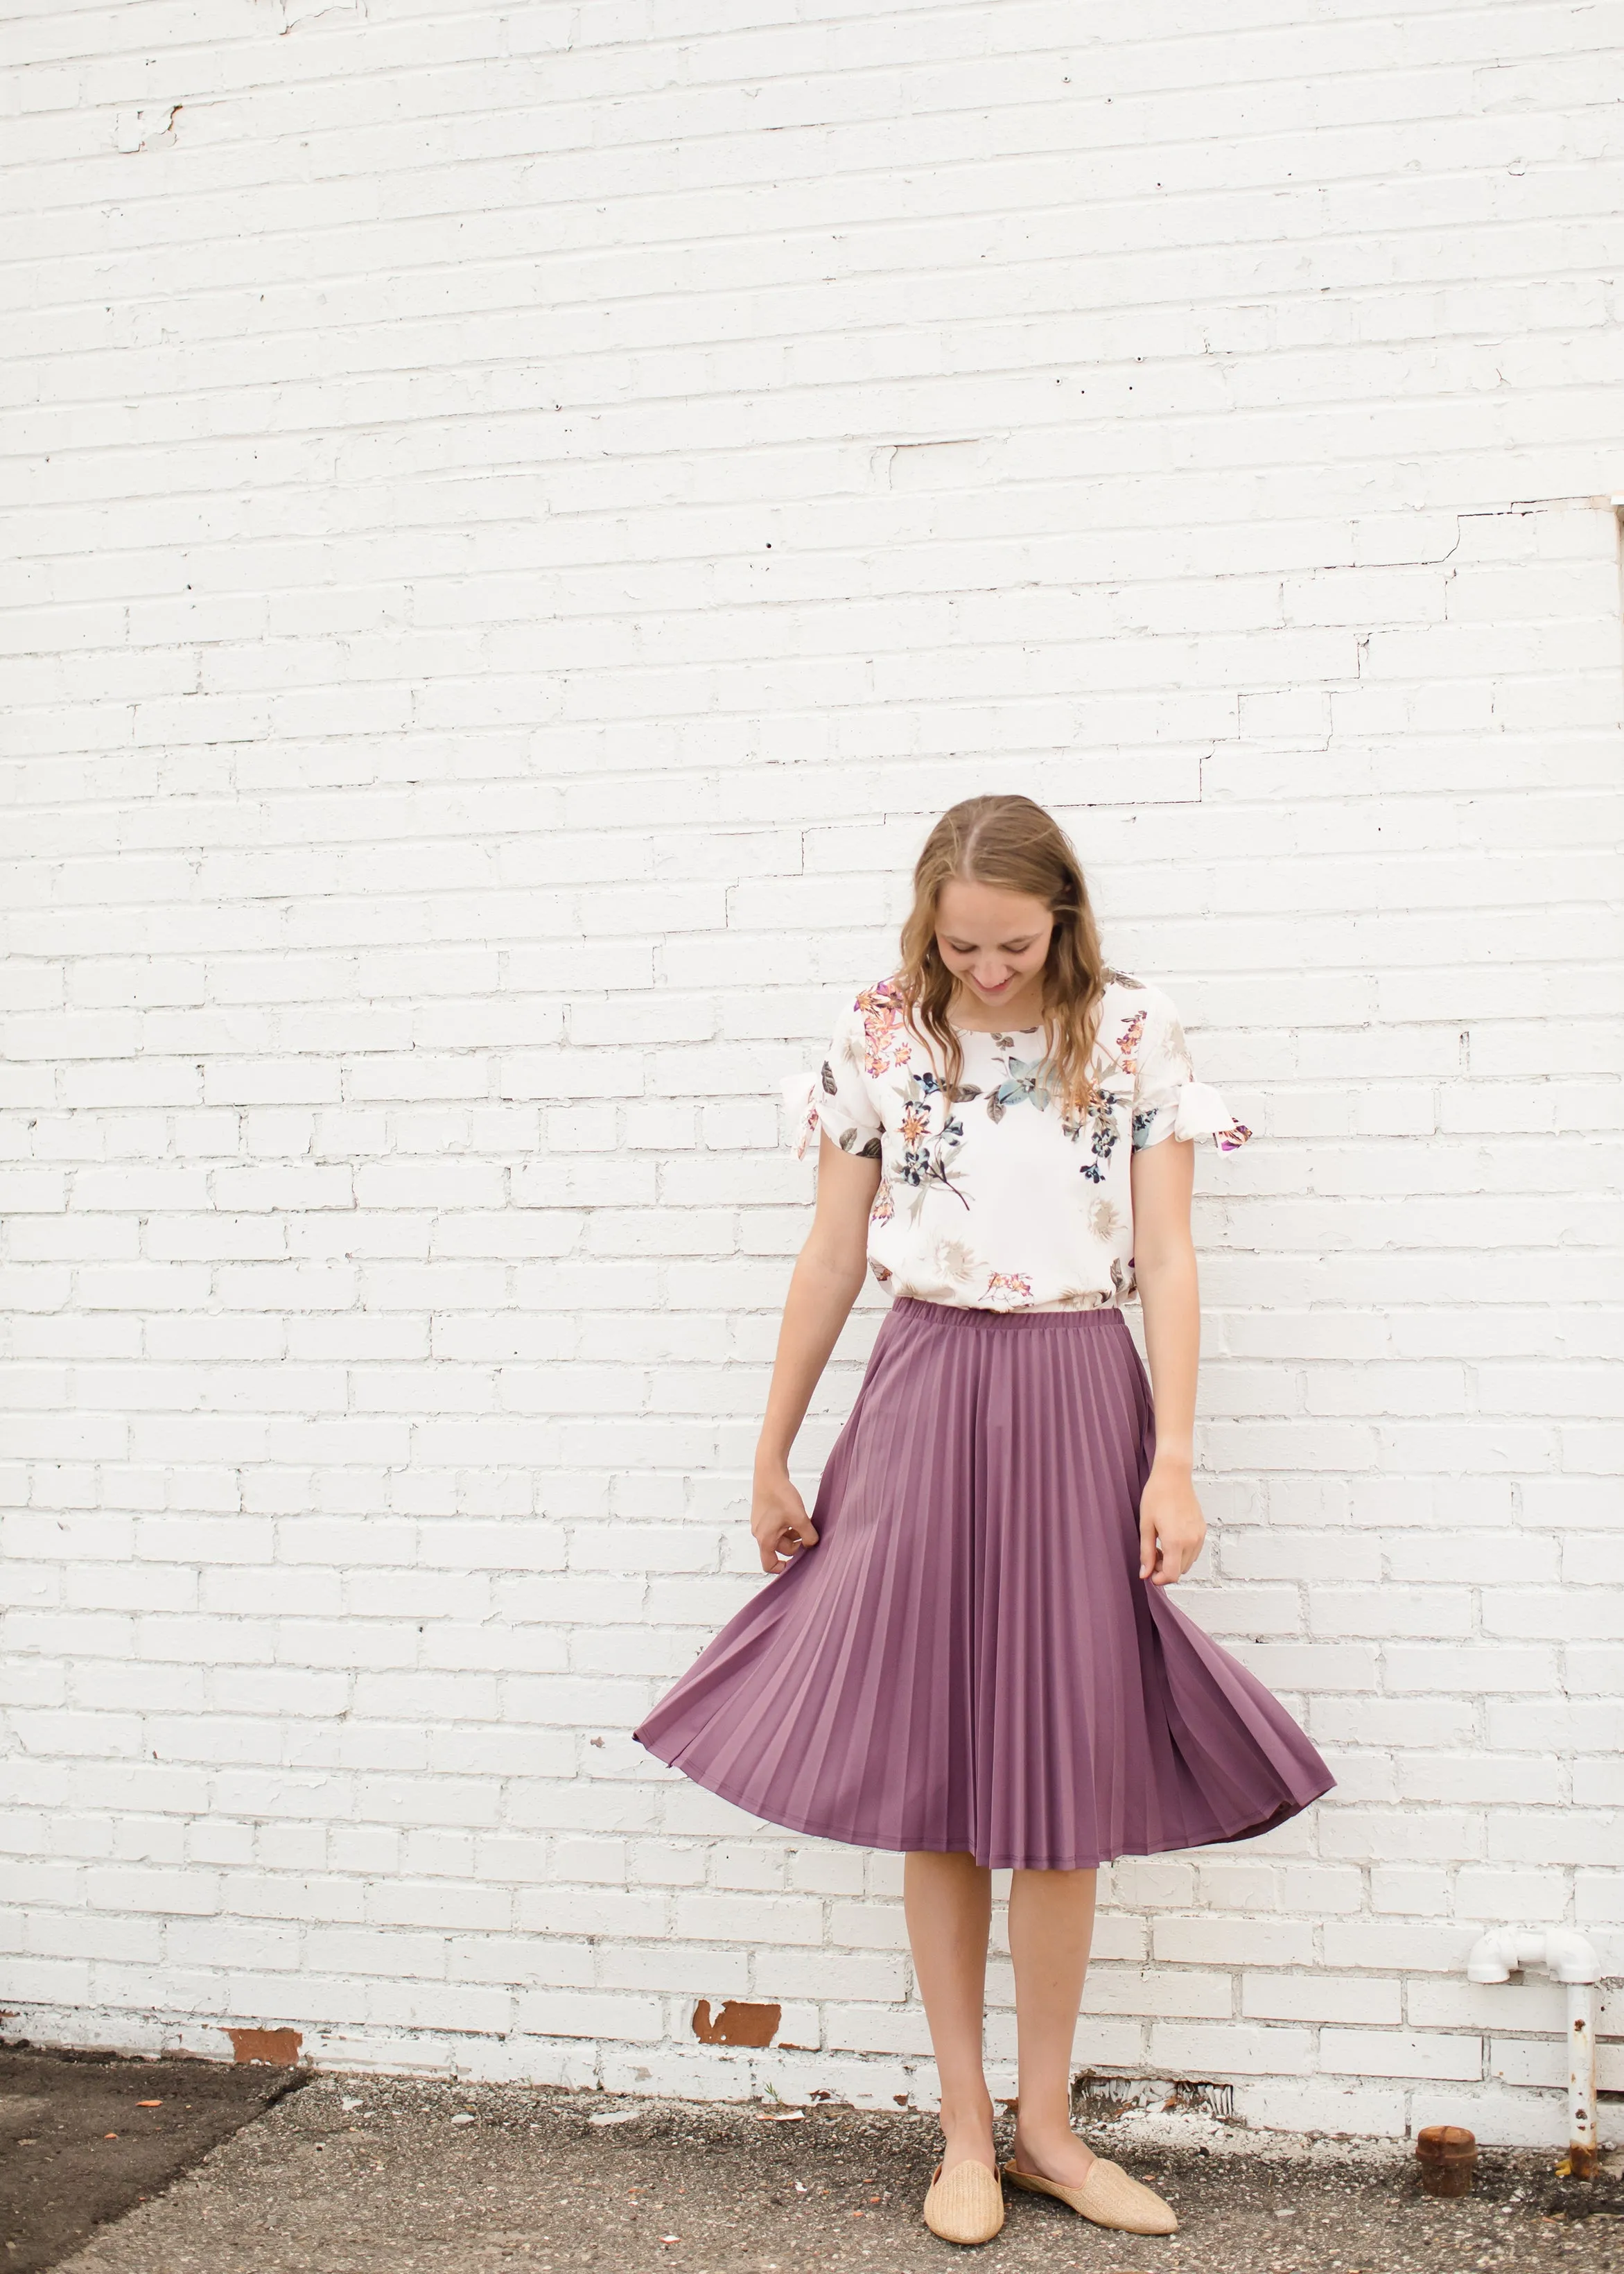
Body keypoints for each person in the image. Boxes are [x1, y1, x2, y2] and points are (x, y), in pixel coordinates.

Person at [634, 793, 1333, 2246]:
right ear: (925, 926)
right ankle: (962, 2133)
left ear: (1062, 915)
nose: (989, 968)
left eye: (1013, 942)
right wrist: (772, 1446)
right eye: (962, 945)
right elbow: (831, 1251)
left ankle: (1051, 2131)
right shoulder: (882, 1028)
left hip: (1086, 1392)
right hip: (925, 1387)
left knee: (1061, 1785)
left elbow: (1172, 1251)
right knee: (939, 1773)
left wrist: (1177, 1455)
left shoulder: (1133, 1032)